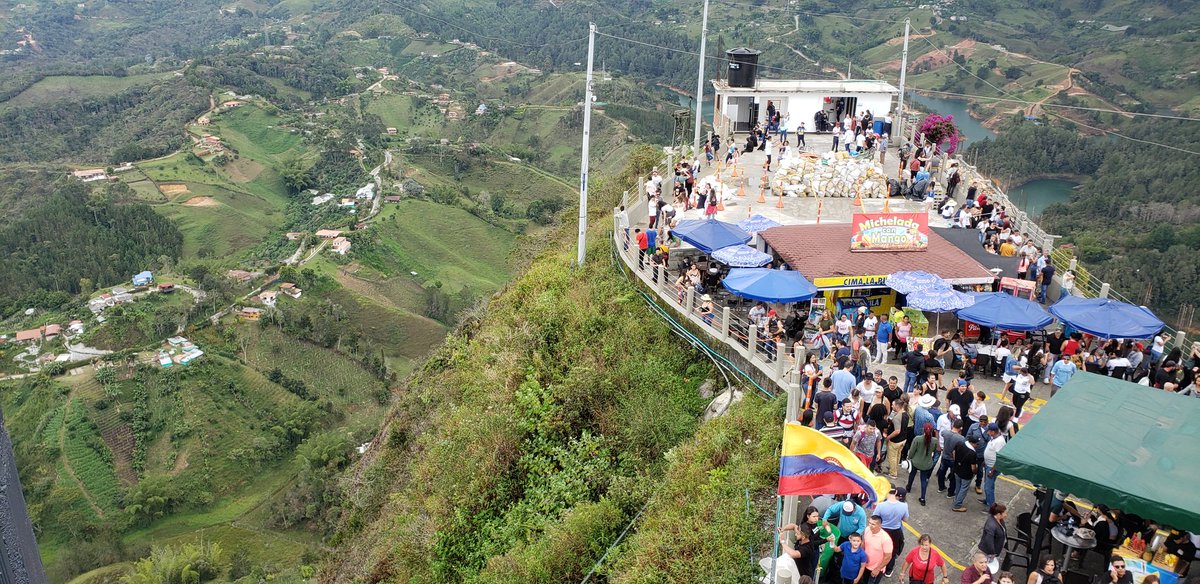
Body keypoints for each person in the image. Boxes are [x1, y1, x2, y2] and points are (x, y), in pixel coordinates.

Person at [875, 488, 909, 577]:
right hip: (896, 531)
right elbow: (905, 520)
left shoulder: (881, 505)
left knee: (880, 548)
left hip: (883, 530)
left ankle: (878, 566)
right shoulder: (904, 506)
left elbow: (875, 518)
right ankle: (889, 570)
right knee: (892, 551)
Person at [905, 422, 937, 506]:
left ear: (923, 429)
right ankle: (923, 498)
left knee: (912, 474)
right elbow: (934, 451)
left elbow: (912, 450)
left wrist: (909, 458)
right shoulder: (934, 441)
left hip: (916, 461)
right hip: (926, 463)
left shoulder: (917, 439)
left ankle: (908, 487)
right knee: (923, 480)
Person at [952, 435, 980, 512]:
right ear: (972, 443)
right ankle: (957, 505)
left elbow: (953, 453)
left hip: (957, 470)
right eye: (977, 444)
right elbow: (973, 468)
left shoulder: (960, 443)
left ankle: (956, 499)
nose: (977, 446)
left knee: (958, 486)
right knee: (963, 489)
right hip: (966, 475)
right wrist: (975, 472)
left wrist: (957, 462)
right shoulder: (972, 453)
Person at [982, 424, 1007, 507]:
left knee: (988, 487)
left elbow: (999, 458)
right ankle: (987, 500)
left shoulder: (999, 441)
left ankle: (991, 506)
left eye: (989, 431)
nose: (988, 432)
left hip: (992, 467)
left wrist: (992, 470)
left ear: (993, 432)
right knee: (988, 485)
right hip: (988, 465)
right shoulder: (994, 438)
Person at [979, 503, 1009, 569]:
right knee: (985, 567)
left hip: (994, 550)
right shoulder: (991, 526)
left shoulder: (999, 519)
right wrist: (993, 554)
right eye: (1005, 513)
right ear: (998, 514)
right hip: (989, 552)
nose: (1006, 515)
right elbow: (989, 542)